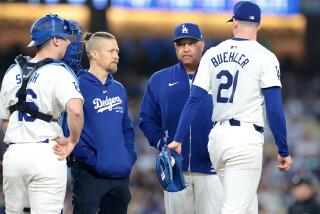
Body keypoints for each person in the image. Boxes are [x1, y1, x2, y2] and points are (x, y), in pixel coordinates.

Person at [168, 1, 293, 214]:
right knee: (234, 208)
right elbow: (273, 108)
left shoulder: (213, 53)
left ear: (234, 22)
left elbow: (194, 100)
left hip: (217, 139)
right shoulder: (265, 56)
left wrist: (178, 138)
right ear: (259, 25)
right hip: (244, 140)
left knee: (247, 206)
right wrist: (283, 149)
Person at [0, 14, 84, 214]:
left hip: (13, 155)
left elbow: (5, 123)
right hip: (46, 154)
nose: (68, 43)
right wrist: (72, 141)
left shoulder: (12, 71)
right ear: (55, 39)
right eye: (65, 38)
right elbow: (76, 111)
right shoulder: (58, 71)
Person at [139, 23, 222, 214]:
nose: (186, 48)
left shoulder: (219, 78)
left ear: (202, 44)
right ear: (175, 47)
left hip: (212, 168)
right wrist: (162, 143)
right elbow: (147, 119)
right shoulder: (159, 79)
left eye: (191, 43)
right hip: (176, 169)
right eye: (180, 44)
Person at [70, 31, 137, 214]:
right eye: (111, 51)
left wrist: (128, 156)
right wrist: (94, 161)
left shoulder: (119, 89)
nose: (117, 56)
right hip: (89, 176)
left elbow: (127, 128)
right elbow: (69, 130)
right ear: (94, 54)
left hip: (120, 175)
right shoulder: (76, 86)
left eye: (117, 51)